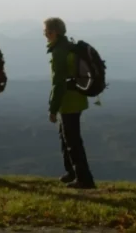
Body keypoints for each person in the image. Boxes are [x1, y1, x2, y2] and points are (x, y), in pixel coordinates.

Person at [44, 17, 96, 189]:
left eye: (46, 31)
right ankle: (72, 172)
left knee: (72, 140)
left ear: (54, 32)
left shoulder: (59, 52)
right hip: (77, 97)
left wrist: (52, 108)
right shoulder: (69, 46)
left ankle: (84, 178)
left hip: (68, 100)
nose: (44, 34)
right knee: (65, 136)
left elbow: (58, 83)